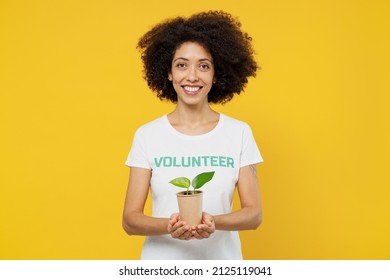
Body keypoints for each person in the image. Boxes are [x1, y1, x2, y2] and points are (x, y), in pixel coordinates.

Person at [122, 10, 263, 260]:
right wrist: (169, 226)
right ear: (168, 72)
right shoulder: (147, 135)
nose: (192, 76)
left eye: (204, 66)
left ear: (216, 74)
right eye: (182, 65)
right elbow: (130, 220)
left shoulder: (239, 133)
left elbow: (254, 215)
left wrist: (213, 222)